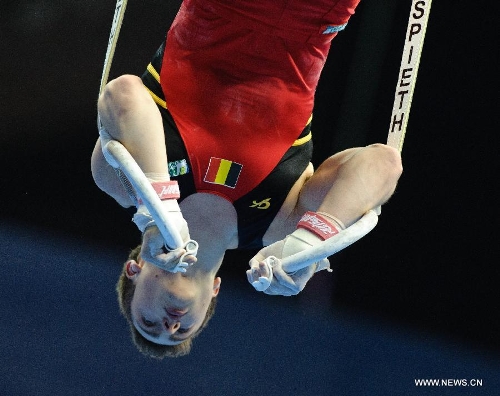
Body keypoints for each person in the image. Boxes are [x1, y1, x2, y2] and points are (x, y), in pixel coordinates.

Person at [91, 0, 403, 358]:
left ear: (134, 269)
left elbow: (123, 93)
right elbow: (384, 162)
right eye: (184, 330)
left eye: (149, 323)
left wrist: (154, 207)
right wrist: (312, 240)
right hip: (315, 14)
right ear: (215, 292)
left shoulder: (121, 182)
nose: (171, 324)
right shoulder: (280, 225)